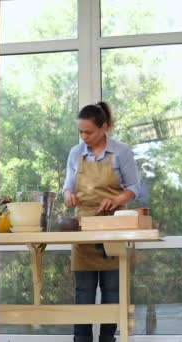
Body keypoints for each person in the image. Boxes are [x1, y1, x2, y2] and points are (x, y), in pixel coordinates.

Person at [62, 101, 140, 342]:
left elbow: (134, 188)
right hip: (84, 232)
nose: (84, 137)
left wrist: (117, 200)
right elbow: (67, 187)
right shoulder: (76, 153)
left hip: (113, 229)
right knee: (83, 294)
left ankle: (108, 339)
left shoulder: (121, 152)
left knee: (112, 294)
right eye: (80, 132)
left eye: (89, 132)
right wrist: (68, 196)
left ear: (103, 127)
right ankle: (81, 339)